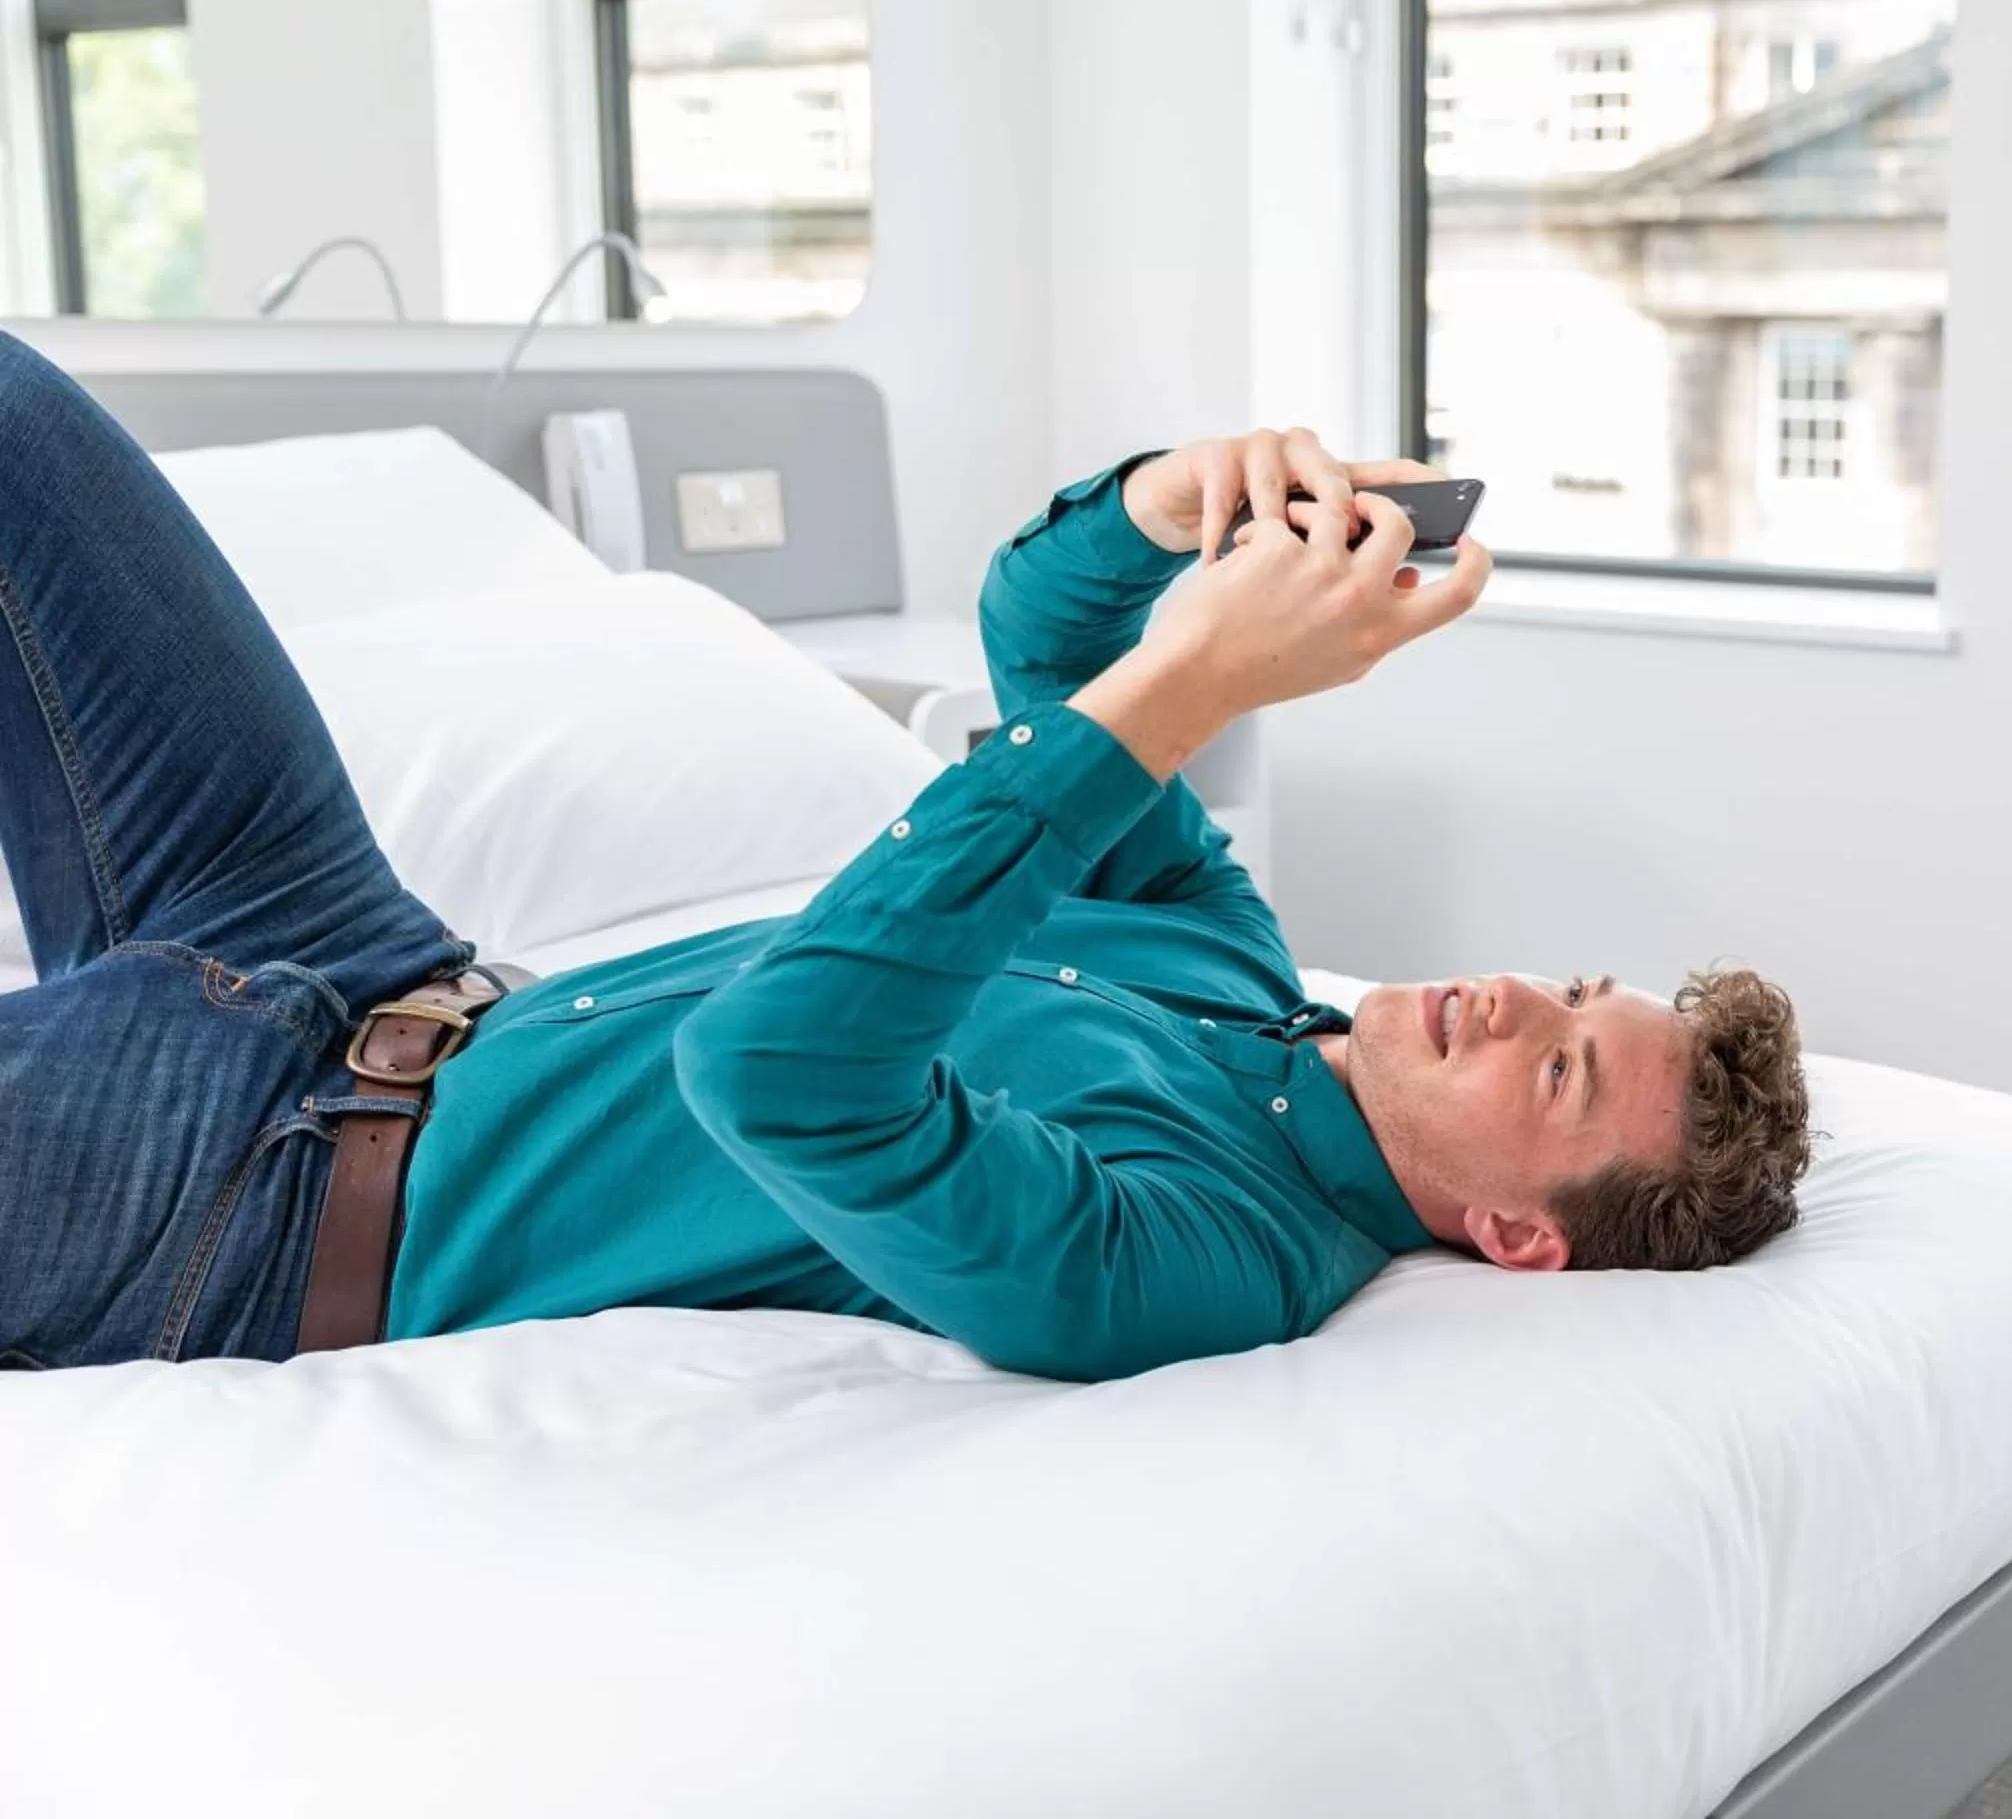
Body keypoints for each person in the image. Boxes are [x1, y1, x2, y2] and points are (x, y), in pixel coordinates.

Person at [0, 332, 1813, 1381]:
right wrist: (1167, 507)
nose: (1507, 999)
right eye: (1568, 987)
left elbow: (778, 1074)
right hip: (344, 946)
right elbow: (1039, 633)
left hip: (237, 1209)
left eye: (1558, 1066)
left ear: (1514, 1237)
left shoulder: (1205, 1259)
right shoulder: (1235, 966)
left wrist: (1175, 699)